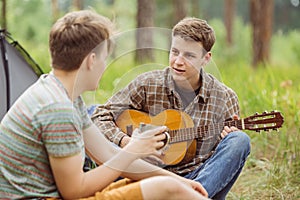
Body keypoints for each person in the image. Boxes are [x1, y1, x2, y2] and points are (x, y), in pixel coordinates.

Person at [0, 10, 209, 199]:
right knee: (166, 189)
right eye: (105, 58)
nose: (105, 66)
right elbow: (74, 191)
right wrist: (134, 150)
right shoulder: (57, 108)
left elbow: (107, 154)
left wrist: (180, 180)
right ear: (91, 60)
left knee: (168, 184)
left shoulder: (62, 94)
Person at [91, 17, 251, 200]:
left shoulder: (225, 97)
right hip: (147, 176)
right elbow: (100, 114)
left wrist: (227, 136)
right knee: (99, 128)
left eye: (189, 56)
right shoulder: (147, 83)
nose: (178, 61)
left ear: (206, 58)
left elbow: (222, 159)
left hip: (197, 179)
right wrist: (126, 142)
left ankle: (191, 196)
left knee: (239, 140)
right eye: (174, 52)